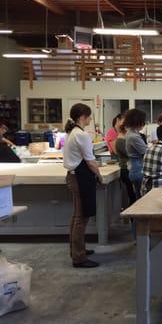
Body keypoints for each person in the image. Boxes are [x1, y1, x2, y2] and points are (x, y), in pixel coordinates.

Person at [63, 103, 103, 268]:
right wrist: (99, 176)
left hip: (75, 176)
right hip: (79, 178)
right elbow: (90, 161)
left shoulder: (73, 132)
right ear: (82, 117)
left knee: (77, 216)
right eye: (89, 116)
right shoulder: (81, 134)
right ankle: (79, 257)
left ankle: (77, 250)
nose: (90, 119)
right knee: (81, 218)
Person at [124, 108, 148, 199]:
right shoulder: (133, 136)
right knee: (142, 199)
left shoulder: (132, 133)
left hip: (136, 168)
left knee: (140, 197)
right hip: (138, 170)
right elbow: (146, 152)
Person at [114, 123, 136, 207]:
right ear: (126, 128)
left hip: (128, 168)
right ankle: (132, 218)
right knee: (132, 195)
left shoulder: (124, 139)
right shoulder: (120, 141)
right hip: (125, 169)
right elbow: (130, 153)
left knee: (132, 194)